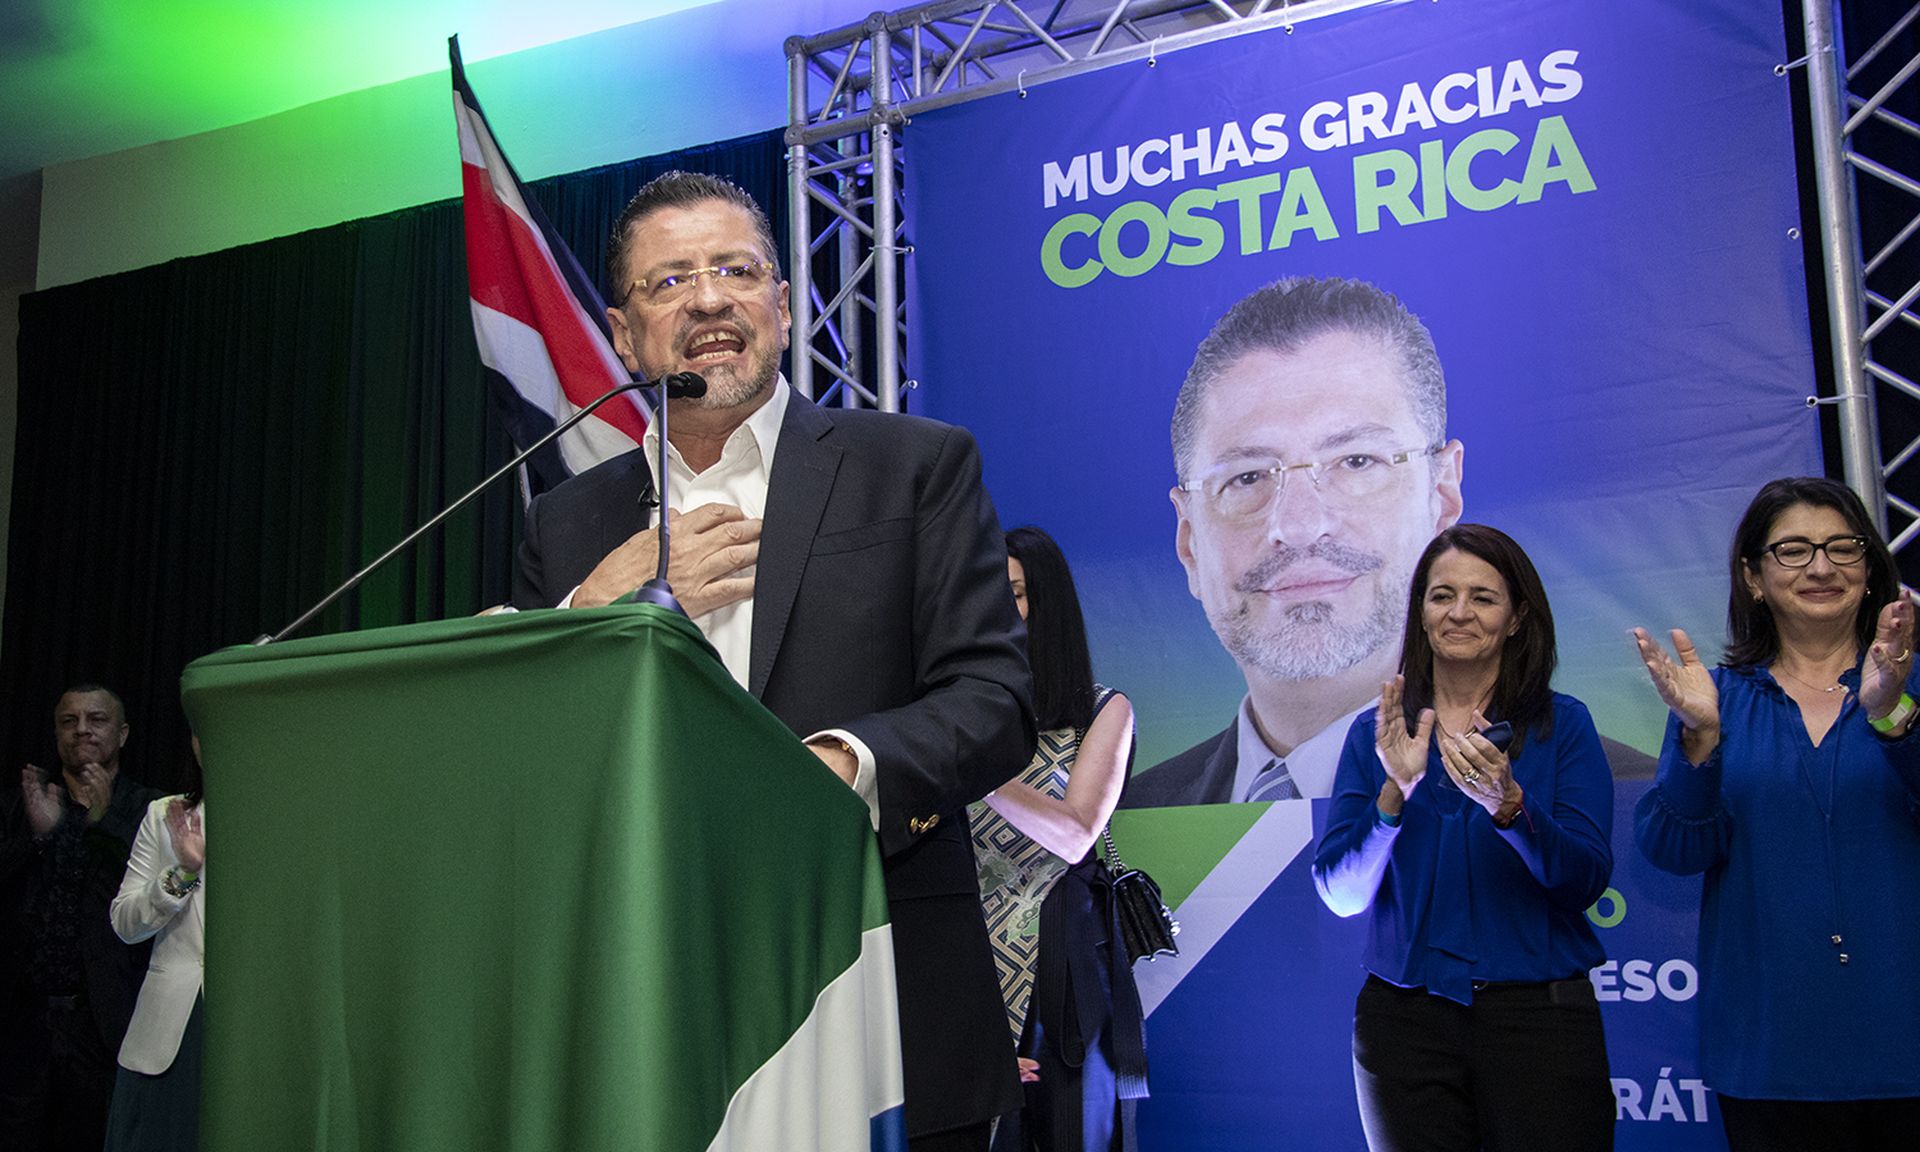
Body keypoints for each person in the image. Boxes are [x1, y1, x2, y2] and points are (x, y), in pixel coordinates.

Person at [511, 170, 1036, 1150]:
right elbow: (526, 755)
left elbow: (995, 699)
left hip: (874, 982)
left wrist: (840, 770)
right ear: (625, 337)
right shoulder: (569, 519)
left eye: (735, 270)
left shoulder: (915, 465)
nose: (708, 299)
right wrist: (597, 603)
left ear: (783, 307)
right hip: (645, 1015)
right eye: (669, 283)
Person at [1632, 476, 1920, 1150]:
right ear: (1754, 578)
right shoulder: (1719, 699)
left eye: (1841, 547)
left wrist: (1892, 716)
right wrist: (1698, 738)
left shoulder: (1909, 687)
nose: (1820, 566)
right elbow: (1672, 850)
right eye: (1792, 550)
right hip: (1770, 1057)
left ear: (1869, 568)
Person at [1314, 524, 1614, 1152]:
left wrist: (1512, 809)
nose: (1459, 612)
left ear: (1517, 618)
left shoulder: (1565, 726)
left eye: (1483, 597)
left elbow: (1583, 880)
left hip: (1540, 1022)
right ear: (1420, 613)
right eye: (1440, 594)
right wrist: (1393, 795)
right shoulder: (1376, 735)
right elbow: (1342, 894)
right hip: (1403, 1026)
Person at [1127, 276, 1465, 805]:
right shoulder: (1130, 822)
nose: (1301, 526)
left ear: (1441, 497)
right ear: (1189, 540)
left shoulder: (1586, 800)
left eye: (1356, 462)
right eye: (1247, 477)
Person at [971, 527, 1139, 1151]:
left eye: (1013, 593)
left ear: (1047, 605)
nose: (996, 609)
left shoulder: (1103, 710)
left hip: (1059, 968)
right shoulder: (957, 712)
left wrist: (978, 771)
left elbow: (1074, 835)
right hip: (965, 964)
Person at [6, 685, 160, 1152]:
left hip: (103, 1026)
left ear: (123, 733)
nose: (82, 730)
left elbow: (159, 896)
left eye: (96, 719)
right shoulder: (19, 805)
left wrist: (104, 821)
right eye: (68, 721)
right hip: (22, 1025)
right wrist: (37, 839)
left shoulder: (151, 809)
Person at [104, 762, 204, 1152]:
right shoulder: (166, 813)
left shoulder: (285, 817)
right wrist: (183, 872)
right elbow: (125, 922)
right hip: (171, 1023)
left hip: (253, 1025)